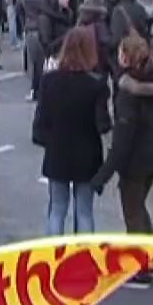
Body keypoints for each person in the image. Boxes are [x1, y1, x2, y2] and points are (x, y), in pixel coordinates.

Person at [93, 34, 153, 246]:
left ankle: (142, 263)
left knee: (133, 211)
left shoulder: (129, 93)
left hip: (136, 159)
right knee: (139, 206)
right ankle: (150, 254)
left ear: (126, 57)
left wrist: (102, 176)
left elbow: (122, 139)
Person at [32, 26, 110, 236]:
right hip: (87, 152)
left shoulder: (49, 80)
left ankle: (53, 257)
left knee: (57, 209)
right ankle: (83, 258)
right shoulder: (96, 85)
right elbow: (103, 124)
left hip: (58, 150)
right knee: (84, 212)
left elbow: (41, 120)